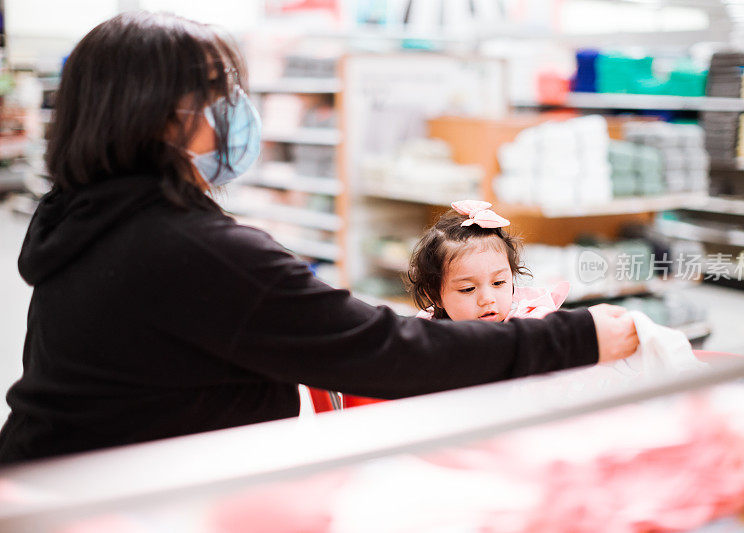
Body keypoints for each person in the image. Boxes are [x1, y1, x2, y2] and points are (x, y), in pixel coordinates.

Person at [0, 11, 638, 465]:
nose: (239, 110)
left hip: (59, 475)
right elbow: (387, 351)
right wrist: (576, 337)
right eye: (225, 92)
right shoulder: (196, 252)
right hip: (116, 506)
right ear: (172, 116)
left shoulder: (81, 215)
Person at [407, 200, 571, 322]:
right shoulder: (428, 329)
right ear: (435, 296)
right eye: (468, 289)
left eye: (499, 283)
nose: (487, 299)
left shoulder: (531, 322)